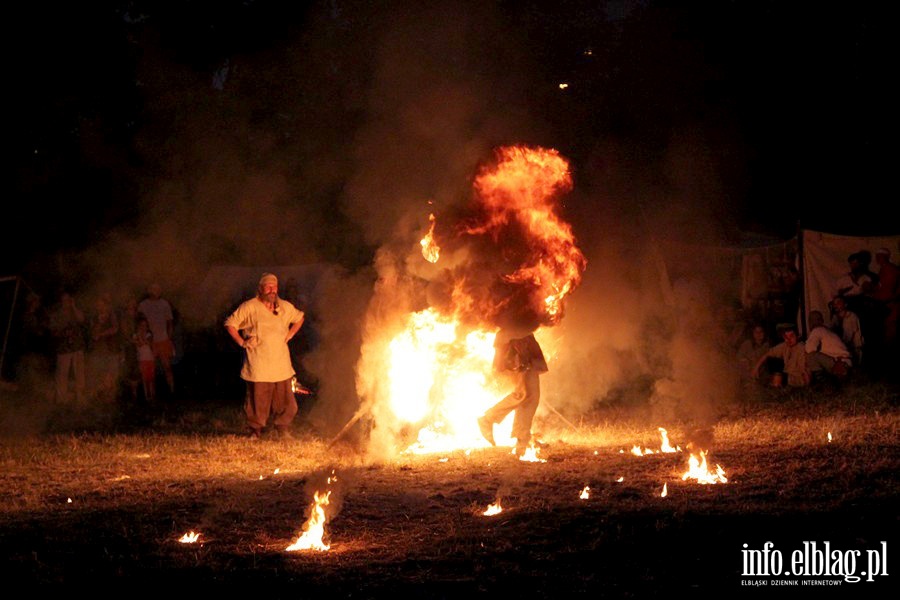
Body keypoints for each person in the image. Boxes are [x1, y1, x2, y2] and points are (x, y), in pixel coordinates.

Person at [224, 273, 306, 440]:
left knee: (285, 401)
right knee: (258, 400)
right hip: (259, 363)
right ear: (261, 289)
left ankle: (282, 429)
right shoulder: (250, 307)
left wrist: (290, 334)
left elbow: (300, 318)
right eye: (268, 287)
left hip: (280, 363)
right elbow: (230, 324)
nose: (272, 290)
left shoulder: (284, 307)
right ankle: (255, 430)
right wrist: (242, 342)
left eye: (274, 287)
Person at [477, 321, 549, 454]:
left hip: (521, 340)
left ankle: (521, 440)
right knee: (524, 394)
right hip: (517, 345)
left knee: (530, 397)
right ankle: (488, 419)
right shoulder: (513, 312)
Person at [137, 282, 176, 398]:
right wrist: (142, 337)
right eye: (153, 288)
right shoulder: (143, 305)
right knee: (149, 368)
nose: (156, 291)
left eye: (158, 289)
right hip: (149, 340)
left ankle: (172, 391)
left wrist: (169, 338)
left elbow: (170, 322)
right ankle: (151, 394)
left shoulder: (164, 304)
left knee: (167, 366)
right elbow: (139, 322)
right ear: (149, 290)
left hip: (162, 339)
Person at [49, 289, 87, 404]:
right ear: (61, 301)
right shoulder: (57, 315)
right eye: (64, 300)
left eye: (68, 300)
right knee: (62, 376)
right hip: (63, 348)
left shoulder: (75, 312)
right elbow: (53, 331)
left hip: (77, 347)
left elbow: (82, 319)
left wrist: (74, 307)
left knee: (79, 374)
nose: (66, 302)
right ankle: (61, 400)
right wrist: (63, 333)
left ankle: (80, 398)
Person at [752, 323, 809, 389]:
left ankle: (776, 390)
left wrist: (807, 385)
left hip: (798, 378)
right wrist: (756, 368)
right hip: (787, 375)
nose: (788, 339)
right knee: (767, 376)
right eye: (786, 337)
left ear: (797, 336)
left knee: (777, 378)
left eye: (791, 336)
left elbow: (805, 371)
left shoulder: (801, 347)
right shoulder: (784, 345)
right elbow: (767, 354)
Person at [87, 293, 121, 404]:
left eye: (102, 305)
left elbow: (115, 329)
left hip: (111, 350)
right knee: (100, 376)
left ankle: (112, 399)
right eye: (98, 305)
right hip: (99, 351)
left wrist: (101, 334)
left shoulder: (112, 315)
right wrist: (99, 325)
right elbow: (93, 334)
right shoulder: (94, 318)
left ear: (106, 306)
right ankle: (100, 400)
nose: (100, 307)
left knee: (112, 376)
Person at [804, 310, 852, 381]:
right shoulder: (828, 331)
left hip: (839, 363)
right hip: (846, 361)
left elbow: (809, 349)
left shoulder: (817, 330)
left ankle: (821, 380)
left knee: (810, 356)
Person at [829, 295, 864, 367]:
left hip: (854, 349)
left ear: (845, 304)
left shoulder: (851, 317)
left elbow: (848, 337)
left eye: (838, 303)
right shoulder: (835, 318)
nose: (836, 305)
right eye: (834, 303)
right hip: (842, 348)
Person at [736, 323, 772, 389]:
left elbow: (766, 360)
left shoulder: (766, 346)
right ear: (753, 333)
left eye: (761, 331)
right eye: (756, 332)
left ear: (764, 333)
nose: (759, 334)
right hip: (747, 372)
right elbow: (739, 357)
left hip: (761, 374)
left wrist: (757, 368)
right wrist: (747, 364)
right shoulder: (747, 344)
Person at [133, 315, 156, 404]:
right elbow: (139, 344)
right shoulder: (135, 335)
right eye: (142, 325)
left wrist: (143, 339)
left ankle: (153, 396)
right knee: (144, 378)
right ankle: (147, 396)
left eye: (145, 325)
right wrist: (140, 336)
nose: (144, 327)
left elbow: (148, 342)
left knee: (151, 378)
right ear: (138, 326)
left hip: (150, 359)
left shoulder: (149, 334)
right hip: (142, 360)